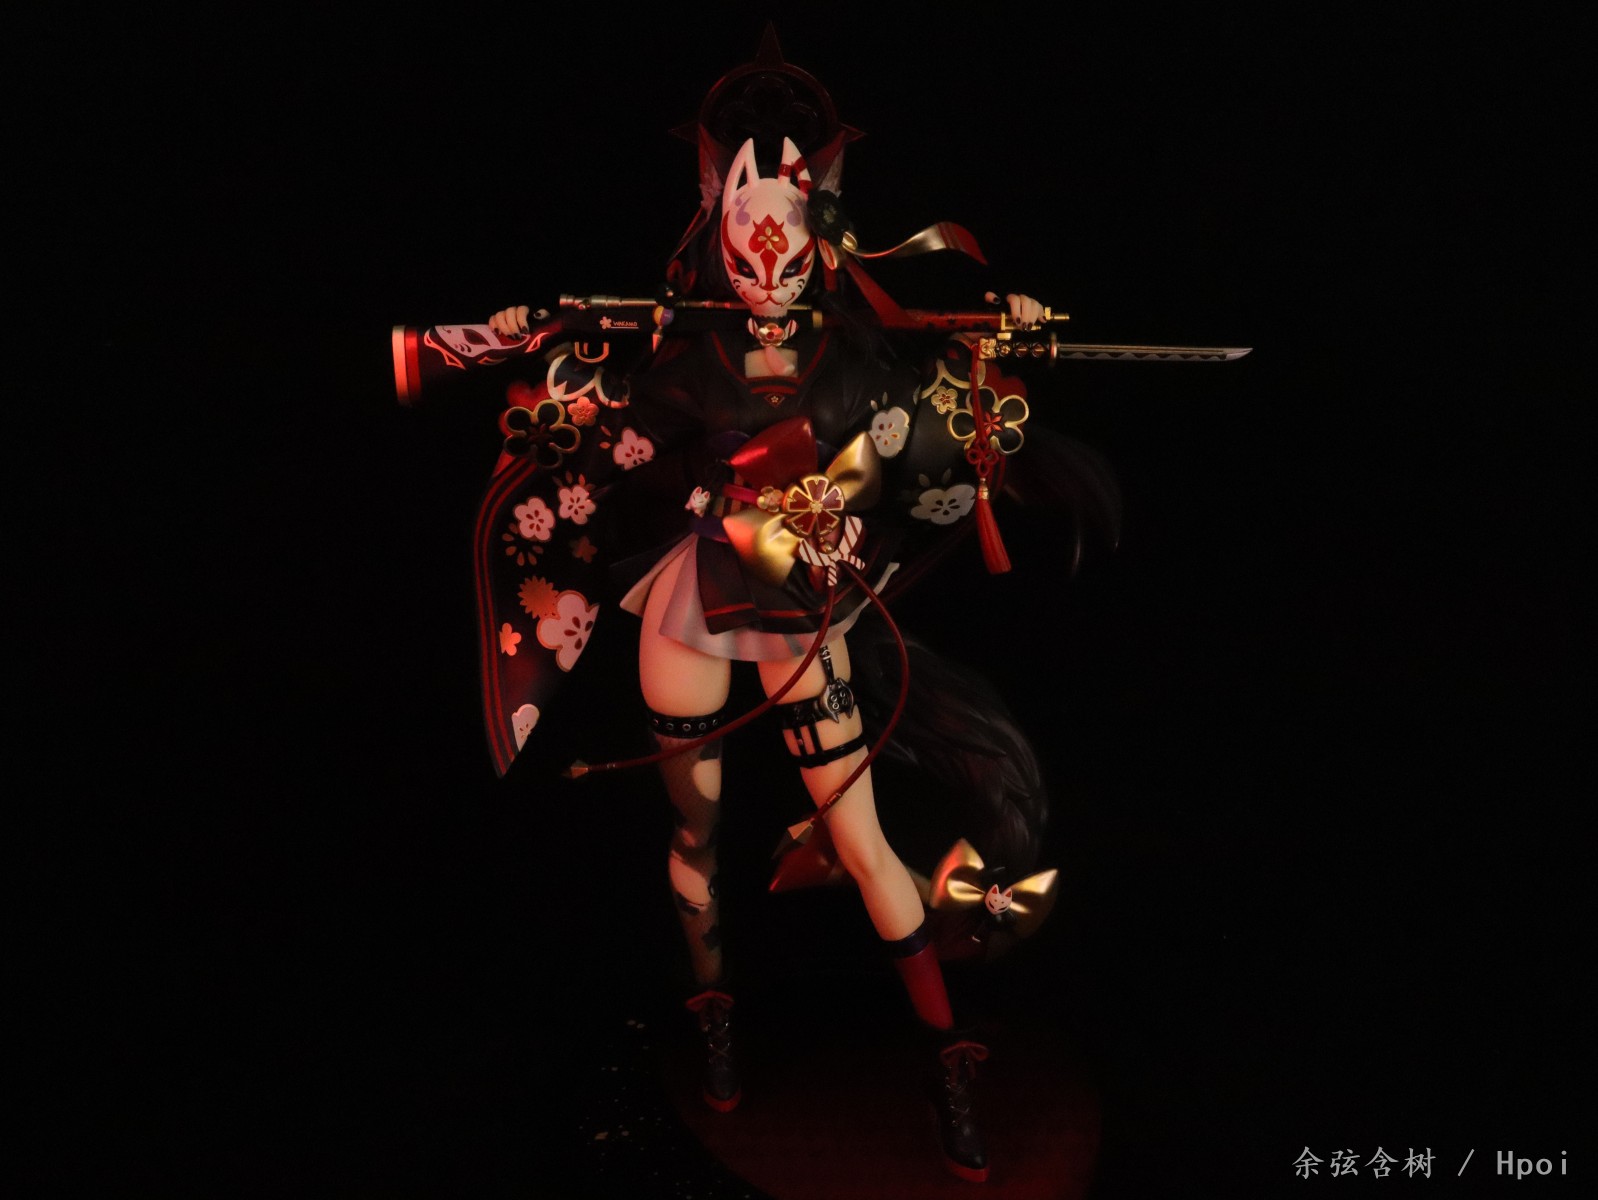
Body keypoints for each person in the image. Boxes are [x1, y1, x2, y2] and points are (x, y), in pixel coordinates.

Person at [444, 31, 1116, 1184]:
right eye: (748, 254)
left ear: (816, 238)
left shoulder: (856, 357)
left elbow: (934, 432)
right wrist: (530, 352)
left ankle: (943, 1053)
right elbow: (615, 448)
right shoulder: (689, 353)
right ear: (719, 233)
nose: (767, 277)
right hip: (694, 602)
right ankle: (713, 1011)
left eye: (787, 252)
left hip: (799, 605)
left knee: (861, 842)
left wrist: (1000, 341)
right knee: (693, 830)